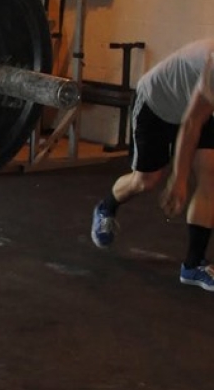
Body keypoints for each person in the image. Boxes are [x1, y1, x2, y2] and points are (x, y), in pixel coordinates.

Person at [91, 39, 214, 289]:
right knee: (146, 180)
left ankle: (193, 266)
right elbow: (191, 124)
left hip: (199, 108)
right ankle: (106, 207)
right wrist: (178, 178)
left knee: (210, 174)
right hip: (157, 105)